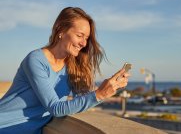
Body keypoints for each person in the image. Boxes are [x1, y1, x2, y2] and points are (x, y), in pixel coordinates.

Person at [0, 7, 130, 134]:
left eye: (86, 38)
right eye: (80, 35)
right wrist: (100, 94)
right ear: (61, 30)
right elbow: (55, 108)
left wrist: (111, 86)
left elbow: (81, 101)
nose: (84, 43)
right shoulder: (36, 60)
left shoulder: (72, 67)